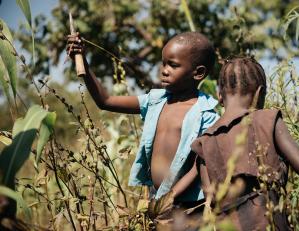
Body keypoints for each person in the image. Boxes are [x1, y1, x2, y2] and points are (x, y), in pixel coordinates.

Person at [171, 56, 299, 230]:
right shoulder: (268, 119)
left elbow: (211, 198)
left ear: (220, 96)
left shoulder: (204, 141)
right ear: (261, 92)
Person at [66, 32, 220, 205]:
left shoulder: (207, 116)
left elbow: (200, 167)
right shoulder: (155, 101)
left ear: (198, 73)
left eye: (173, 65)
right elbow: (106, 101)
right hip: (155, 199)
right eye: (163, 64)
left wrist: (169, 198)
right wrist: (82, 61)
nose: (164, 70)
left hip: (187, 205)